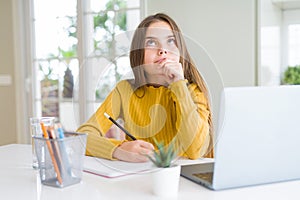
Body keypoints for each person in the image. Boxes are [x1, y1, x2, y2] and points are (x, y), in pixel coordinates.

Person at [77, 13, 214, 163]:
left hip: (183, 182)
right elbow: (82, 138)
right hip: (137, 178)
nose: (162, 50)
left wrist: (179, 85)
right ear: (138, 53)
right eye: (151, 43)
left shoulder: (193, 92)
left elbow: (195, 150)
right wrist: (119, 150)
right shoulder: (125, 90)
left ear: (180, 51)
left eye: (170, 41)